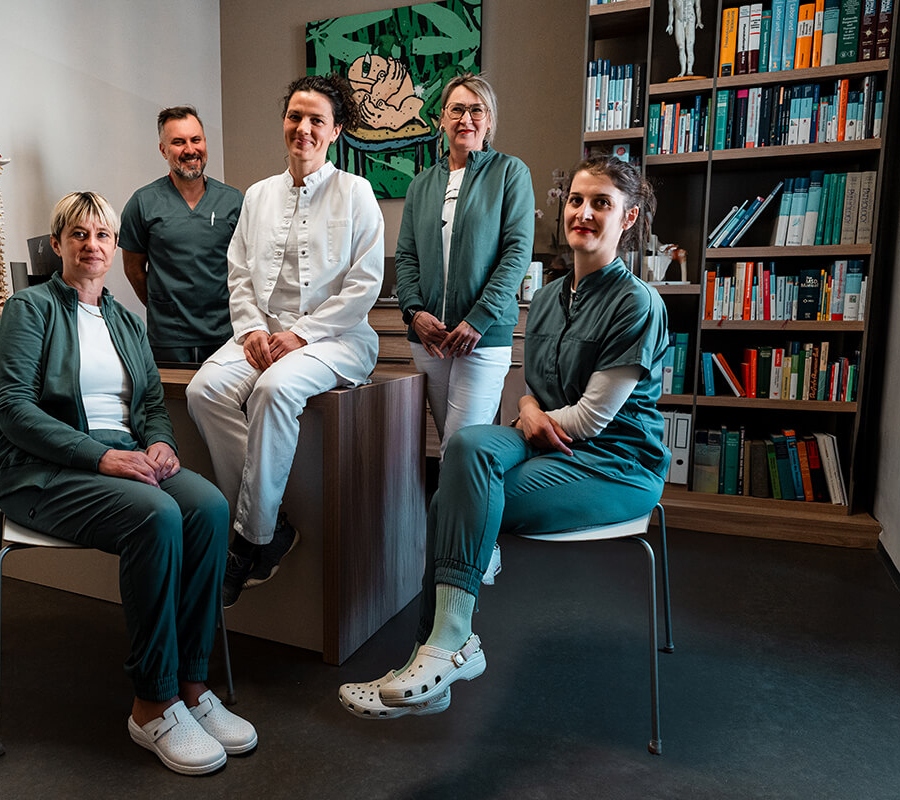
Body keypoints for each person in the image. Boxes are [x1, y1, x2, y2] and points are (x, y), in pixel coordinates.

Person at [339, 156, 669, 719]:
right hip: (547, 438)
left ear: (629, 217)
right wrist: (524, 407)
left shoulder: (637, 303)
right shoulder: (546, 298)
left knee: (455, 499)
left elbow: (592, 419)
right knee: (464, 446)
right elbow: (533, 391)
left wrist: (529, 415)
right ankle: (438, 655)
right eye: (576, 200)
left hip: (613, 463)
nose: (583, 213)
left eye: (601, 204)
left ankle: (441, 649)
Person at [0, 192, 255, 775]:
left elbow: (150, 405)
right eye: (78, 234)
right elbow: (14, 409)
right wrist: (101, 457)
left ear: (114, 246)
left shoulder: (127, 322)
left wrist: (161, 444)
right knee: (156, 515)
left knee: (207, 507)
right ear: (57, 245)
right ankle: (152, 703)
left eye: (102, 234)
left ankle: (192, 686)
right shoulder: (29, 309)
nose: (92, 244)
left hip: (122, 458)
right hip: (40, 468)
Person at [186, 74, 385, 609]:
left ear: (336, 131)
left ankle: (250, 539)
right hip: (264, 333)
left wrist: (302, 334)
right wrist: (253, 328)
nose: (304, 128)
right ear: (284, 121)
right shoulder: (258, 195)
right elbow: (238, 273)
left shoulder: (356, 192)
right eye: (296, 116)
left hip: (336, 337)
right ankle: (271, 526)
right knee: (204, 392)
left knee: (273, 391)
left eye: (317, 120)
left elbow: (365, 283)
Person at [395, 73, 534, 460]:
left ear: (489, 120)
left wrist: (478, 319)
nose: (466, 119)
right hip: (430, 339)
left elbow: (516, 252)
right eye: (456, 109)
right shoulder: (421, 185)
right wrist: (414, 313)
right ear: (441, 118)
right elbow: (406, 256)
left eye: (476, 110)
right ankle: (462, 500)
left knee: (461, 448)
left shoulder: (510, 173)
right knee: (451, 445)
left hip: (482, 337)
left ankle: (460, 503)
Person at [120, 106, 243, 365]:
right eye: (178, 142)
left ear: (205, 142)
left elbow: (248, 268)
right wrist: (162, 307)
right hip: (169, 337)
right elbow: (133, 269)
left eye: (196, 140)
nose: (190, 150)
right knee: (173, 392)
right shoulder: (143, 203)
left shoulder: (233, 201)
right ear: (163, 150)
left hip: (225, 334)